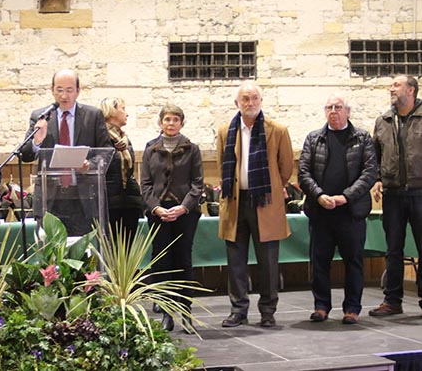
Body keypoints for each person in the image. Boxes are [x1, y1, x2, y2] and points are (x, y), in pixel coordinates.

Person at [217, 81, 293, 328]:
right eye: (245, 99)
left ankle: (268, 311)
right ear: (236, 103)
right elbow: (221, 165)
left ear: (261, 101)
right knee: (236, 260)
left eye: (254, 99)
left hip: (265, 202)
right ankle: (238, 309)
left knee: (268, 261)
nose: (250, 103)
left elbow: (286, 168)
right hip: (235, 202)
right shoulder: (224, 130)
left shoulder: (277, 130)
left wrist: (267, 188)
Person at [298, 93, 377, 324]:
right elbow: (303, 173)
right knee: (319, 261)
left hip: (351, 213)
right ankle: (321, 306)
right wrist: (319, 195)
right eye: (329, 107)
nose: (333, 111)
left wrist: (346, 197)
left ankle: (352, 308)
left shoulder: (362, 138)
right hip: (321, 212)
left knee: (353, 261)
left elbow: (369, 173)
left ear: (347, 111)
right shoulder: (314, 138)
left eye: (338, 107)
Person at [20, 68, 112, 235]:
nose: (64, 95)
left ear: (78, 91)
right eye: (59, 90)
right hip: (51, 198)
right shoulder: (40, 116)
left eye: (69, 90)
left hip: (84, 196)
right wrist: (37, 141)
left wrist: (89, 165)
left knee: (85, 253)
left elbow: (106, 150)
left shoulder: (92, 115)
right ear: (52, 90)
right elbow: (25, 155)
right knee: (51, 254)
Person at [141, 104, 204, 334]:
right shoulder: (151, 150)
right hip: (158, 214)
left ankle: (186, 311)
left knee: (183, 262)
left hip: (184, 213)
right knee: (161, 264)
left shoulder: (192, 149)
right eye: (167, 119)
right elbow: (145, 185)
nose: (170, 123)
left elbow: (197, 184)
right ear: (160, 123)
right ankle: (167, 313)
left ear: (181, 123)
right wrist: (156, 208)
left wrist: (183, 207)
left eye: (175, 120)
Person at [369, 75, 422, 316]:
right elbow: (375, 155)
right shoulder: (383, 121)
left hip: (420, 193)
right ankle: (392, 301)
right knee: (393, 250)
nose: (391, 89)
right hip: (392, 194)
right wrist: (378, 179)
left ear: (411, 90)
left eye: (396, 85)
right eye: (391, 85)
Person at [98, 97, 144, 241]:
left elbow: (128, 169)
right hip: (109, 202)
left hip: (129, 200)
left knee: (128, 249)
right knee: (110, 248)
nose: (127, 113)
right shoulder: (100, 137)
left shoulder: (124, 138)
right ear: (111, 111)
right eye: (123, 109)